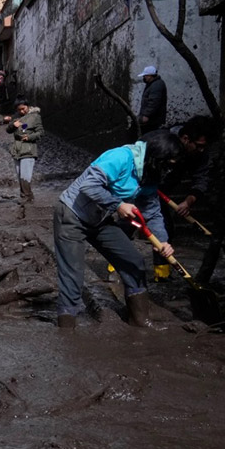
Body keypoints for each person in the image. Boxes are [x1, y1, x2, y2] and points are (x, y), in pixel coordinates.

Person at [53, 132, 182, 328]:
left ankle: (139, 318)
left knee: (133, 261)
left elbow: (153, 213)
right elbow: (89, 186)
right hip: (72, 214)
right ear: (157, 158)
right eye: (167, 165)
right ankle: (67, 329)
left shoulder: (149, 174)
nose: (169, 171)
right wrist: (119, 205)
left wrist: (162, 242)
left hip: (100, 218)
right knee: (73, 276)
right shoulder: (120, 157)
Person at [143, 115, 218, 279]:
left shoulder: (198, 154)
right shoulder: (159, 139)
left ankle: (161, 273)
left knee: (164, 229)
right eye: (198, 146)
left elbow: (202, 178)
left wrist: (189, 200)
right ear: (185, 139)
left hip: (159, 193)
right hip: (138, 187)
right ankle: (114, 266)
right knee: (125, 225)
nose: (201, 150)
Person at [4, 98, 44, 202]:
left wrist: (29, 137)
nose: (22, 111)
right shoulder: (16, 117)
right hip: (17, 149)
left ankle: (27, 196)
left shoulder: (35, 117)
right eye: (19, 110)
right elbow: (8, 130)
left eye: (23, 109)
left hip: (29, 149)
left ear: (28, 106)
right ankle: (25, 196)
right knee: (19, 174)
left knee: (25, 175)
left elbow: (40, 132)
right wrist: (13, 125)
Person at [137, 65, 167, 135]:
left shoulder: (156, 85)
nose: (144, 77)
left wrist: (146, 115)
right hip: (153, 118)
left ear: (150, 76)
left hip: (153, 119)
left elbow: (154, 102)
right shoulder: (154, 84)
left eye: (145, 76)